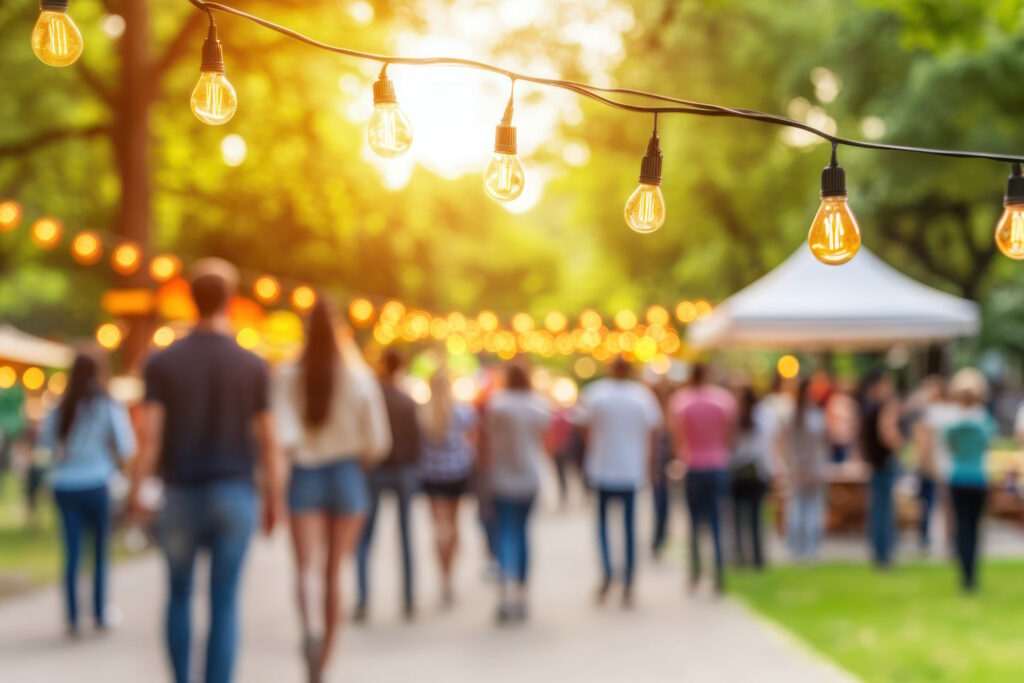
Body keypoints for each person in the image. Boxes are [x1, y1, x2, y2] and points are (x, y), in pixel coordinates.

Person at [128, 258, 285, 683]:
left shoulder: (162, 363)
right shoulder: (253, 365)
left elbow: (151, 439)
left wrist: (137, 494)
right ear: (230, 301)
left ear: (191, 300)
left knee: (178, 594)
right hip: (235, 493)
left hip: (180, 494)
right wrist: (275, 499)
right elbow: (269, 440)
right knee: (225, 602)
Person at [273, 299, 390, 680]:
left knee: (306, 568)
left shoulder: (287, 375)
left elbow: (282, 434)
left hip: (305, 472)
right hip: (346, 474)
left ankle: (310, 629)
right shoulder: (358, 378)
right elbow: (378, 442)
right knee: (334, 571)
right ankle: (324, 660)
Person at [36, 351, 135, 635]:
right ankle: (100, 613)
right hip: (97, 483)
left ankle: (73, 617)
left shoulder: (60, 407)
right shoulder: (107, 405)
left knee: (73, 552)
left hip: (65, 485)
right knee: (100, 552)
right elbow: (126, 446)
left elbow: (46, 445)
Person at [581, 356, 663, 606]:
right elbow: (654, 433)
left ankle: (609, 570)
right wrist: (651, 467)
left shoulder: (596, 394)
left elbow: (584, 430)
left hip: (604, 469)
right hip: (629, 470)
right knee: (628, 528)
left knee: (604, 526)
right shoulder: (641, 396)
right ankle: (627, 579)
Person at [354, 350, 421, 623]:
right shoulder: (407, 400)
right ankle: (408, 598)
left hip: (376, 470)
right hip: (403, 470)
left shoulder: (375, 397)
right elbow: (418, 441)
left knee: (366, 538)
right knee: (405, 537)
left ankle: (363, 599)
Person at [484, 363, 551, 623]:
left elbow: (486, 440)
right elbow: (545, 442)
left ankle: (505, 591)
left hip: (502, 476)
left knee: (504, 533)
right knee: (522, 533)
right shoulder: (537, 405)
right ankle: (522, 594)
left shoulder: (497, 404)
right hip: (529, 477)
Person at [669, 363, 735, 594]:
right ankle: (718, 572)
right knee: (717, 521)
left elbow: (678, 437)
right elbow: (729, 436)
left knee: (695, 522)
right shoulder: (723, 400)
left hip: (694, 466)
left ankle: (696, 571)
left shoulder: (681, 401)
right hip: (717, 466)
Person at [419, 366, 478, 606]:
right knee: (453, 526)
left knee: (439, 526)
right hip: (456, 474)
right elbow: (472, 441)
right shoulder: (463, 412)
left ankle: (443, 576)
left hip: (432, 475)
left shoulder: (423, 412)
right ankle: (449, 573)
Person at [944, 369, 995, 592]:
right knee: (974, 527)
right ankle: (972, 573)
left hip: (958, 478)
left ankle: (965, 575)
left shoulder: (953, 425)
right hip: (978, 478)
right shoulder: (984, 422)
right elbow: (987, 445)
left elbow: (950, 447)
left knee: (962, 526)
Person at [859, 370, 903, 569]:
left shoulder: (868, 408)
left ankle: (879, 552)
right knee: (883, 512)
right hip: (883, 465)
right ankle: (883, 555)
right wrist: (900, 444)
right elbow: (888, 435)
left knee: (878, 510)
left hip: (875, 465)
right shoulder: (882, 408)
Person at [730, 385, 776, 568]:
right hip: (756, 473)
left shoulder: (735, 417)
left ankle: (740, 556)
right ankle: (757, 558)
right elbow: (765, 450)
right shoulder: (763, 417)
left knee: (738, 519)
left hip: (738, 474)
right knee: (756, 519)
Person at [785, 379, 829, 562]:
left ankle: (796, 548)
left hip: (797, 468)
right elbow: (825, 442)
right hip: (814, 468)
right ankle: (811, 549)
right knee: (812, 510)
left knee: (797, 508)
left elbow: (786, 445)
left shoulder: (792, 416)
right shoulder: (816, 417)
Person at [908, 376, 949, 551]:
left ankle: (931, 538)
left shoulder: (935, 413)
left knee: (931, 502)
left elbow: (924, 442)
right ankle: (929, 538)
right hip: (934, 465)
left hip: (935, 465)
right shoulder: (929, 411)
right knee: (928, 502)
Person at [650, 382, 675, 559]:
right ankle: (658, 539)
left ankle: (661, 538)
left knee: (664, 505)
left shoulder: (672, 414)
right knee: (659, 503)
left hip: (667, 466)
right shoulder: (652, 414)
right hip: (657, 466)